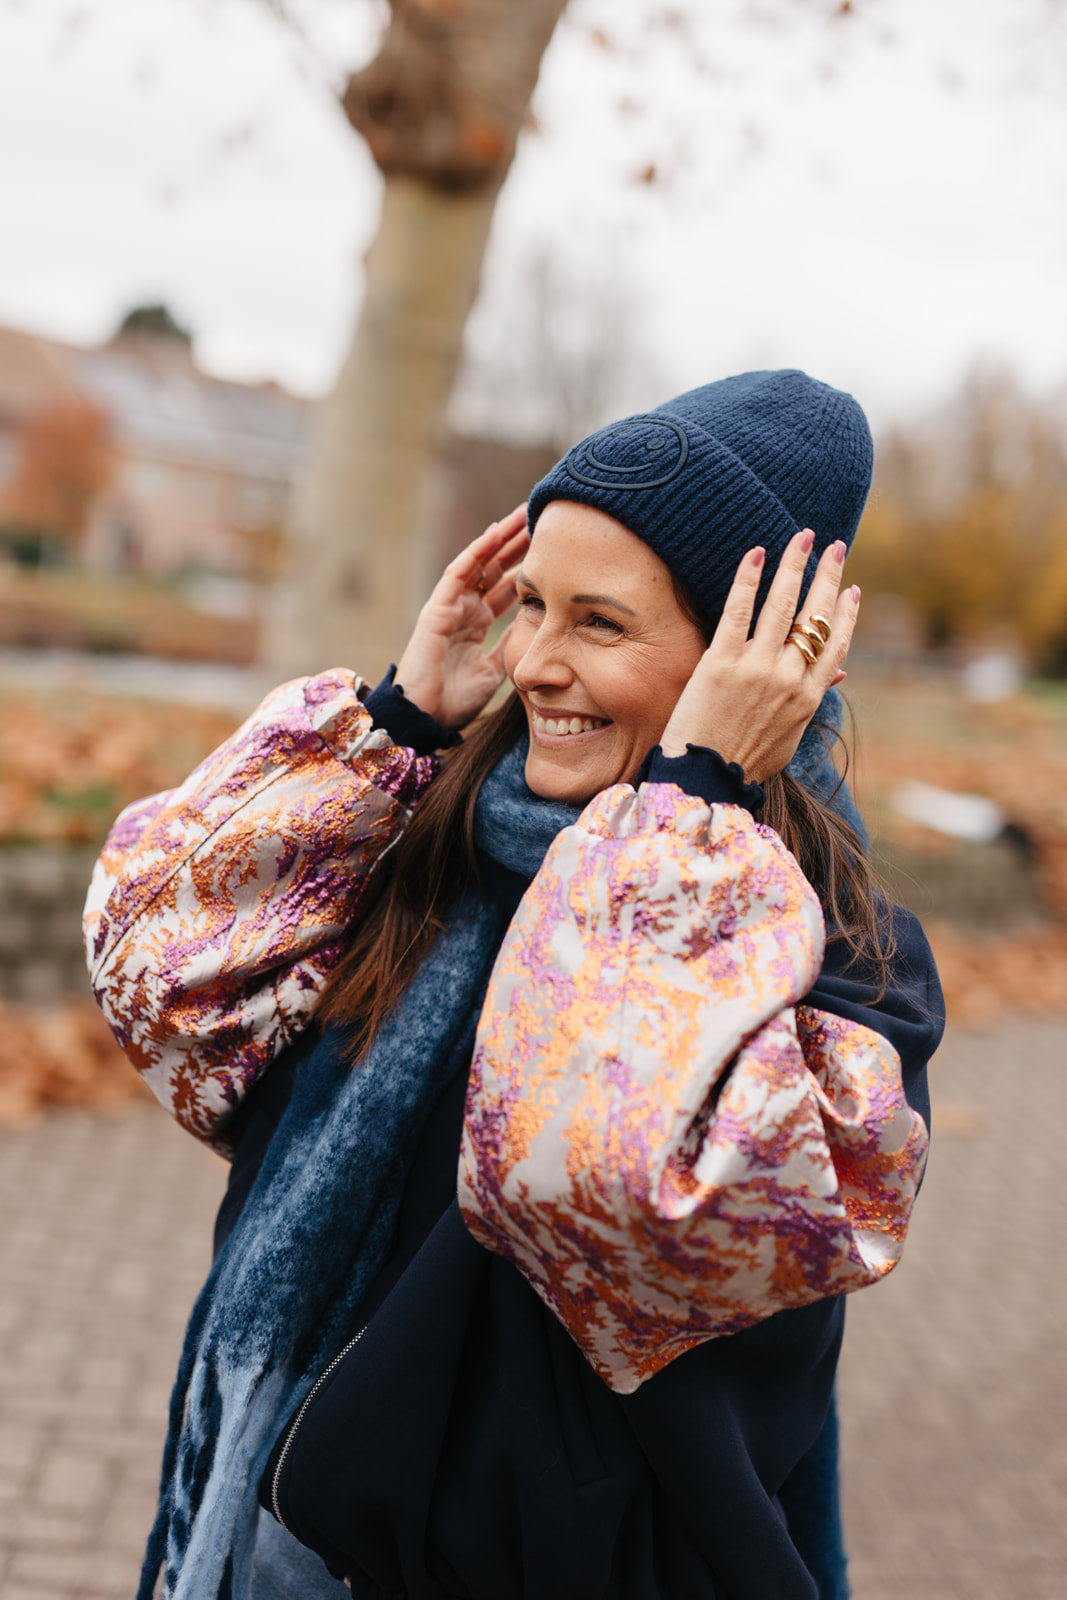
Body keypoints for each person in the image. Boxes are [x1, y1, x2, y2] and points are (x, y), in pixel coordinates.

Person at [84, 370, 943, 1600]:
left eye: (598, 622)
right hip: (286, 1550)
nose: (530, 658)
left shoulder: (843, 964)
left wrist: (691, 801)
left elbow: (604, 1188)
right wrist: (395, 718)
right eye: (529, 601)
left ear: (752, 662)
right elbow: (163, 987)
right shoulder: (438, 842)